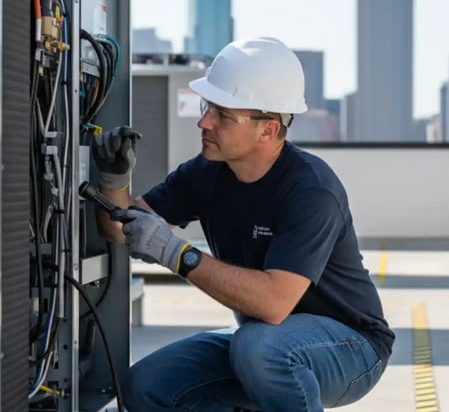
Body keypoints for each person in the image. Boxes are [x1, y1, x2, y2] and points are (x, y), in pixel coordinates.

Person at [92, 36, 395, 412]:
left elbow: (273, 303)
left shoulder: (311, 190)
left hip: (351, 346)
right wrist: (114, 180)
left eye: (223, 115)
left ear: (268, 129)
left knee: (260, 348)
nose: (204, 122)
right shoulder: (206, 172)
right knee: (146, 386)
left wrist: (175, 253)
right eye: (207, 107)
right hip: (265, 343)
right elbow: (121, 228)